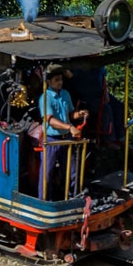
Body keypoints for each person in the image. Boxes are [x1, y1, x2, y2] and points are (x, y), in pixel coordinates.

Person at [37, 64, 88, 200]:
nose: (60, 83)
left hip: (66, 139)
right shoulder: (45, 98)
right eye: (57, 80)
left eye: (61, 80)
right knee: (47, 174)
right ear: (49, 82)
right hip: (51, 140)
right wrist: (69, 127)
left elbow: (70, 114)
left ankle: (72, 198)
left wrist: (80, 114)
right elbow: (50, 120)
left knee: (72, 172)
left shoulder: (65, 94)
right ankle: (44, 202)